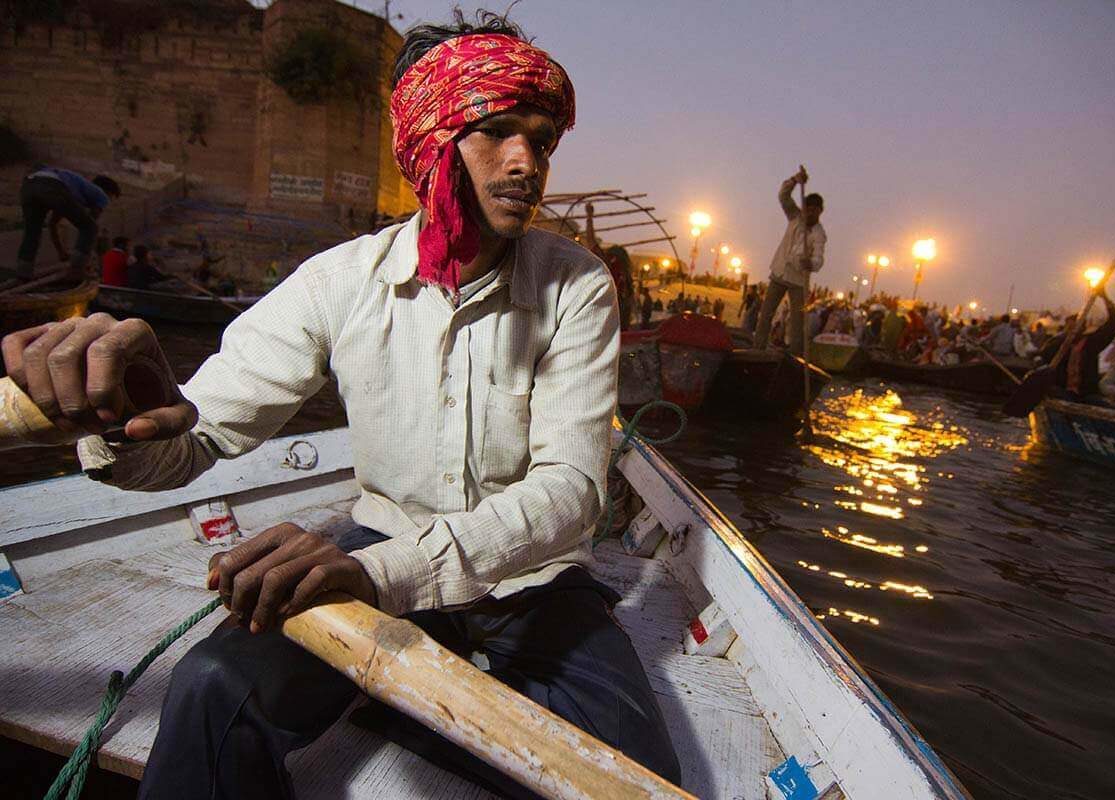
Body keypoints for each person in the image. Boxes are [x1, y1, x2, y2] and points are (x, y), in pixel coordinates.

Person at [1, 11, 679, 799]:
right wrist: (121, 418)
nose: (527, 163)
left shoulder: (577, 283)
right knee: (215, 688)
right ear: (427, 139)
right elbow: (190, 440)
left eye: (543, 139)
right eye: (495, 131)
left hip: (530, 574)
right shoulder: (338, 282)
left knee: (633, 775)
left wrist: (379, 579)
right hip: (381, 535)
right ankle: (399, 686)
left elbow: (570, 492)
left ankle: (392, 693)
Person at [753, 166, 826, 351]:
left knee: (797, 322)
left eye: (814, 211)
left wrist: (811, 264)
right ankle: (757, 349)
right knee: (766, 314)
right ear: (804, 209)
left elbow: (818, 257)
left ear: (820, 212)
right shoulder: (795, 217)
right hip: (779, 272)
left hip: (799, 281)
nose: (810, 213)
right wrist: (795, 180)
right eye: (807, 209)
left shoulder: (819, 233)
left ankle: (795, 356)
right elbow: (783, 196)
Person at [15, 167, 120, 280]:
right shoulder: (101, 195)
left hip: (28, 185)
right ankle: (76, 271)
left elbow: (53, 224)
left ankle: (23, 272)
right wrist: (85, 259)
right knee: (90, 227)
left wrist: (62, 252)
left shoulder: (71, 189)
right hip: (51, 185)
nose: (108, 203)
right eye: (111, 199)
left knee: (32, 232)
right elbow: (90, 226)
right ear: (108, 192)